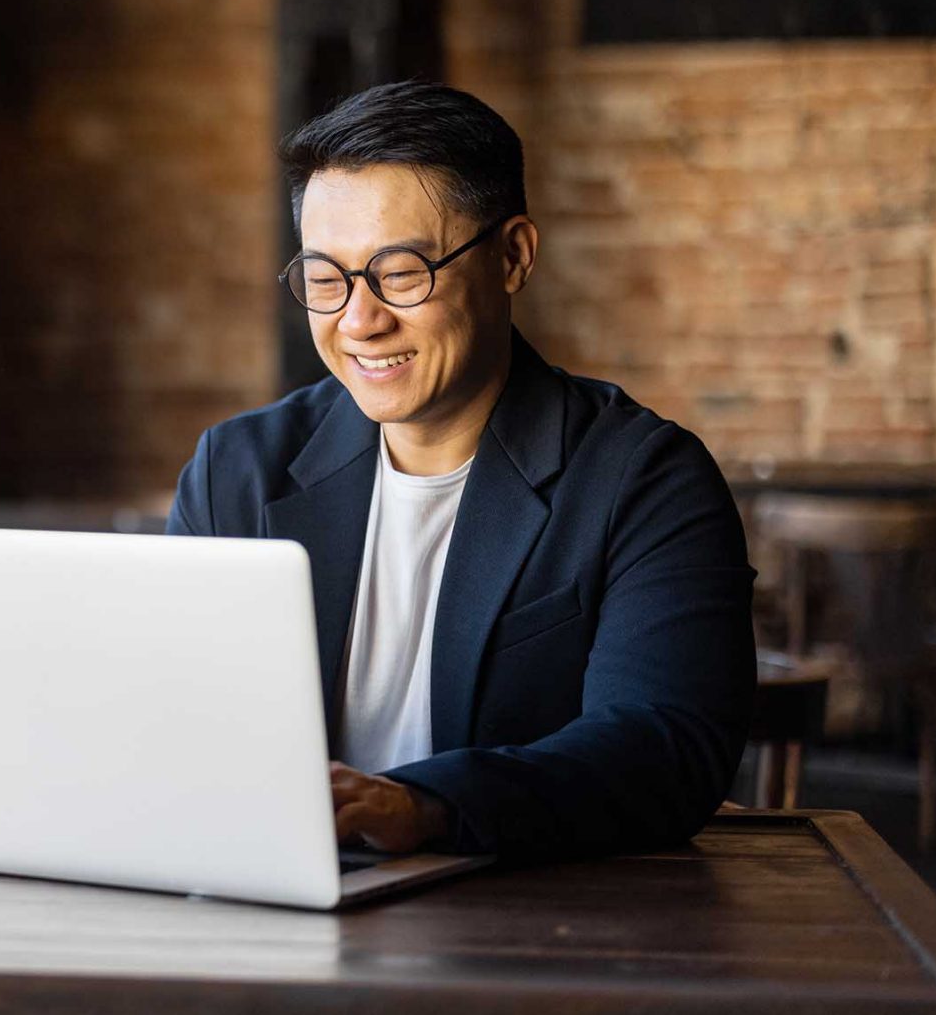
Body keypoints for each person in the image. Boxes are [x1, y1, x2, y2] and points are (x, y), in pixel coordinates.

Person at [166, 81, 756, 861]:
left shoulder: (643, 480)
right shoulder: (237, 472)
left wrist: (426, 807)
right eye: (324, 279)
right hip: (275, 901)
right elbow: (167, 719)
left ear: (513, 256)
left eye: (402, 273)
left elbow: (665, 746)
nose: (358, 320)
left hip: (528, 923)